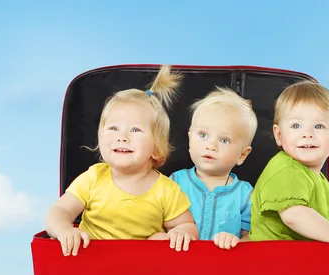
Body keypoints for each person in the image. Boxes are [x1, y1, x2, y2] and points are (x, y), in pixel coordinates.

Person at [44, 65, 198, 256]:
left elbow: (187, 226)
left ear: (156, 147)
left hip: (142, 272)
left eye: (135, 130)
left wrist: (179, 233)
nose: (122, 137)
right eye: (113, 129)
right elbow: (58, 211)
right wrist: (64, 230)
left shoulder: (167, 190)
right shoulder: (93, 178)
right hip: (89, 265)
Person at [249, 80, 329, 259]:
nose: (307, 133)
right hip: (271, 265)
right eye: (296, 126)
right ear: (279, 135)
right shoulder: (286, 169)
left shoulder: (317, 177)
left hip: (295, 265)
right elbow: (295, 215)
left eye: (319, 126)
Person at [170, 87, 257, 250]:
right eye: (203, 135)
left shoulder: (245, 194)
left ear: (242, 155)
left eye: (224, 140)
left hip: (224, 267)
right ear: (190, 139)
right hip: (178, 263)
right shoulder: (175, 182)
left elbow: (252, 236)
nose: (211, 145)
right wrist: (175, 232)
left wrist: (237, 241)